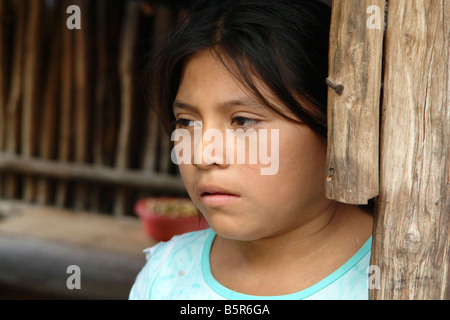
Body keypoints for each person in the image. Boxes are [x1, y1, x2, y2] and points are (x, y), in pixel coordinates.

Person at [129, 0, 373, 300]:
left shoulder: (405, 276)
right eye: (187, 122)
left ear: (335, 124)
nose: (203, 155)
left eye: (243, 120)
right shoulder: (165, 278)